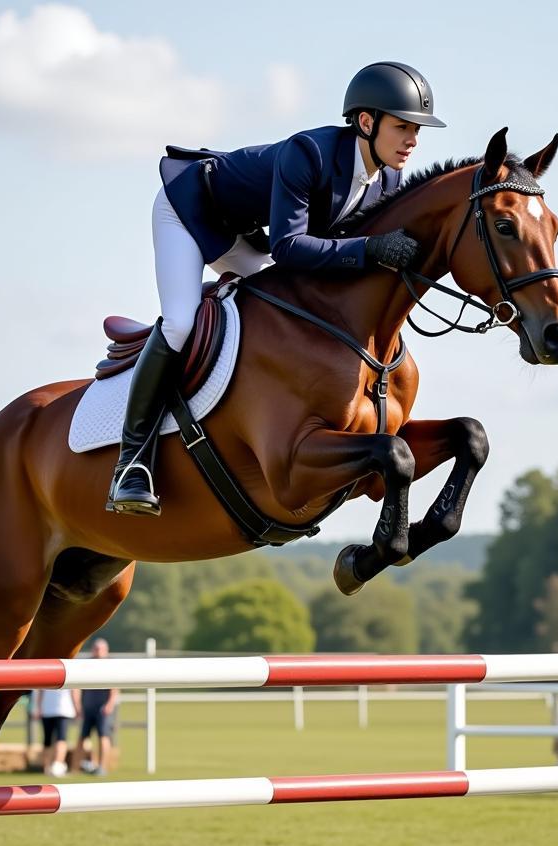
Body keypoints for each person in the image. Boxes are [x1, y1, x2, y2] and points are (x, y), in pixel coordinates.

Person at [106, 60, 447, 516]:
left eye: (417, 130)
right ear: (367, 122)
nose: (413, 141)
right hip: (188, 212)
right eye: (403, 127)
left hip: (243, 235)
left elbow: (328, 252)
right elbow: (289, 248)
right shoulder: (309, 154)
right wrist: (369, 249)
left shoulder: (387, 177)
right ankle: (133, 463)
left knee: (289, 310)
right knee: (181, 322)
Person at [78, 637, 120, 776]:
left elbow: (115, 688)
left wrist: (109, 704)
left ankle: (102, 766)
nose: (98, 651)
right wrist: (79, 706)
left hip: (103, 707)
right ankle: (84, 765)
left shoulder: (110, 665)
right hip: (88, 706)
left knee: (103, 736)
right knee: (83, 737)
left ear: (106, 650)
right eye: (96, 648)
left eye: (101, 649)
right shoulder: (87, 664)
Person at [34, 685, 78, 777]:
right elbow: (74, 690)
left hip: (47, 709)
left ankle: (47, 768)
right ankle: (57, 766)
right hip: (63, 709)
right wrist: (77, 708)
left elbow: (40, 690)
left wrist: (38, 707)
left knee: (48, 740)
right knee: (61, 739)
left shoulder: (45, 672)